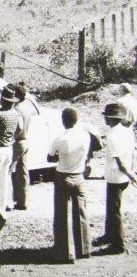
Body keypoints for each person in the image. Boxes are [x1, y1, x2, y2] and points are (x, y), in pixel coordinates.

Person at [48, 108, 91, 263]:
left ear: (63, 121)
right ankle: (84, 249)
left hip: (63, 176)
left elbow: (50, 158)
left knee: (62, 215)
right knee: (81, 213)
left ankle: (65, 253)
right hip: (79, 176)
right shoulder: (85, 136)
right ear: (76, 120)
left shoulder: (60, 139)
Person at [97, 103, 136, 254]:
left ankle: (118, 245)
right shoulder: (127, 131)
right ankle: (109, 235)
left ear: (111, 118)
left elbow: (119, 161)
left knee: (114, 210)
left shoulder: (112, 135)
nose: (105, 120)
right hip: (123, 175)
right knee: (111, 207)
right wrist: (132, 171)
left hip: (116, 176)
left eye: (106, 117)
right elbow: (133, 153)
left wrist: (130, 174)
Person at [12, 83, 39, 211]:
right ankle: (23, 201)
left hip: (17, 142)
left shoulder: (16, 110)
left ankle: (10, 200)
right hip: (25, 141)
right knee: (23, 173)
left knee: (8, 171)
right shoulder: (26, 108)